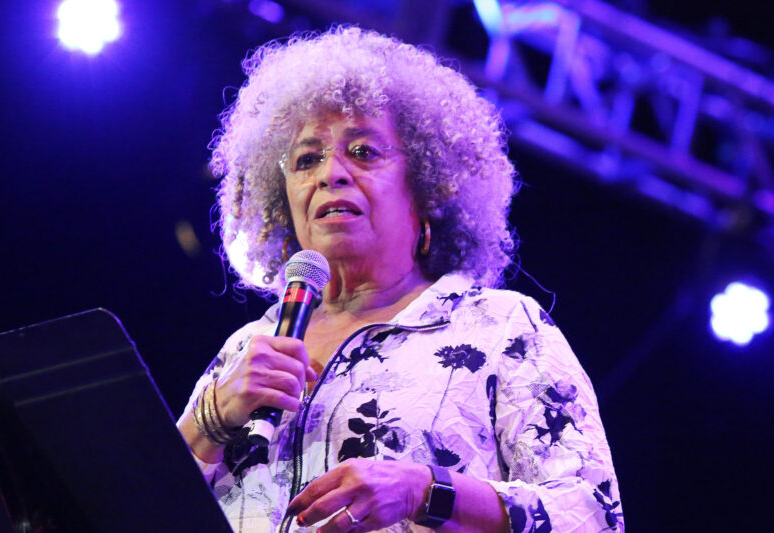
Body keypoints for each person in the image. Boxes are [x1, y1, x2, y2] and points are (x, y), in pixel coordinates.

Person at [177, 26, 624, 533]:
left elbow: (593, 515)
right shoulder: (246, 349)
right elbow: (134, 504)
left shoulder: (499, 327)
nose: (330, 174)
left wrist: (425, 491)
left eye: (364, 151)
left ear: (427, 186)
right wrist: (208, 420)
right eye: (306, 159)